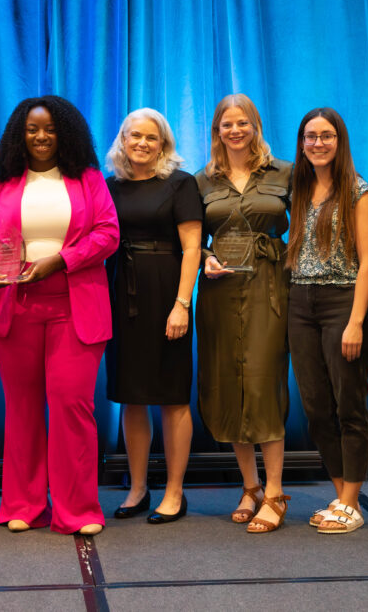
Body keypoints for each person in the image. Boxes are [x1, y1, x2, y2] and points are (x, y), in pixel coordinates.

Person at [0, 95, 119, 535]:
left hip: (75, 306)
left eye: (50, 129)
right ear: (20, 135)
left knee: (72, 404)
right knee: (22, 408)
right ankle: (25, 504)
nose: (41, 137)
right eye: (32, 129)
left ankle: (79, 510)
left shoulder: (88, 179)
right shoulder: (5, 183)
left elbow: (108, 233)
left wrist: (60, 261)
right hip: (14, 307)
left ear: (66, 133)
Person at [196, 93, 293, 534]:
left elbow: (307, 224)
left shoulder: (285, 173)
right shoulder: (201, 181)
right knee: (229, 384)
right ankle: (250, 487)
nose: (235, 131)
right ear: (217, 131)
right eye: (226, 124)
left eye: (242, 123)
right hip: (219, 292)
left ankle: (275, 492)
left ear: (255, 126)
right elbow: (189, 239)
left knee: (262, 383)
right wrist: (204, 258)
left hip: (269, 287)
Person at [104, 109, 202, 524]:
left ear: (164, 144)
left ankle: (175, 491)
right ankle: (138, 488)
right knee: (132, 396)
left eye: (151, 137)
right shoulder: (109, 186)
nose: (142, 143)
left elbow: (192, 248)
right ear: (122, 140)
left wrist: (181, 304)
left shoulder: (180, 183)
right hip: (120, 293)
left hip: (166, 293)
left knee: (172, 395)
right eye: (135, 136)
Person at [286, 108, 368, 535]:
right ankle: (343, 498)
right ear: (301, 143)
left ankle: (350, 501)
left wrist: (356, 322)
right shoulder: (298, 187)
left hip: (344, 301)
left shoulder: (357, 191)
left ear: (340, 141)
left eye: (327, 135)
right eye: (311, 136)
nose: (318, 143)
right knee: (316, 407)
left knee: (349, 405)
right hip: (300, 302)